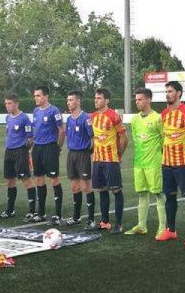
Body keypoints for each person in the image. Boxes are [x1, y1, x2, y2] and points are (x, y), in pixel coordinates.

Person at [158, 81, 185, 243]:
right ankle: (171, 230)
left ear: (179, 93)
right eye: (166, 91)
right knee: (170, 196)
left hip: (183, 163)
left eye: (170, 91)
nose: (167, 94)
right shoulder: (164, 113)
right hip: (167, 163)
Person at [127, 87, 167, 236]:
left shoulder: (157, 118)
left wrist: (159, 157)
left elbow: (163, 140)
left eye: (140, 99)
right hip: (139, 163)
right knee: (142, 194)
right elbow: (136, 139)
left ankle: (162, 227)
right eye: (136, 99)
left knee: (158, 194)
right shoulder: (135, 120)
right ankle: (141, 226)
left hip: (154, 163)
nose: (137, 102)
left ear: (148, 100)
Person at [88, 88, 128, 233]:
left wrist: (119, 155)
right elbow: (93, 136)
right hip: (97, 159)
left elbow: (124, 137)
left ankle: (118, 224)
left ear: (106, 100)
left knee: (116, 190)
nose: (96, 100)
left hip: (111, 159)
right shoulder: (92, 116)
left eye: (99, 98)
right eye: (95, 98)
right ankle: (105, 222)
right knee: (102, 190)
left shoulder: (114, 116)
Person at [30, 85, 65, 223]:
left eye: (38, 95)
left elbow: (61, 130)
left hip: (50, 147)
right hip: (37, 148)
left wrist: (58, 148)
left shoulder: (54, 110)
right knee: (39, 178)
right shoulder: (35, 111)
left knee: (53, 178)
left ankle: (57, 214)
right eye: (35, 96)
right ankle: (41, 213)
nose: (36, 98)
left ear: (46, 96)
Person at [0, 94, 35, 219]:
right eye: (6, 103)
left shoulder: (24, 118)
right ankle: (10, 210)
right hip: (9, 151)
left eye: (10, 103)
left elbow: (30, 138)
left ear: (16, 104)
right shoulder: (8, 117)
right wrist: (6, 147)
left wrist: (25, 150)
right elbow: (7, 133)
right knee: (10, 181)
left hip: (20, 151)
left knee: (25, 179)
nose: (7, 106)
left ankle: (32, 211)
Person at [64, 90, 95, 227]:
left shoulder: (86, 118)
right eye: (68, 100)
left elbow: (92, 137)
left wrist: (88, 152)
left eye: (71, 100)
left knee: (86, 187)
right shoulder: (69, 119)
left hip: (83, 154)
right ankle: (76, 217)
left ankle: (91, 218)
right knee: (74, 187)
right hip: (71, 154)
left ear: (78, 101)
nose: (69, 102)